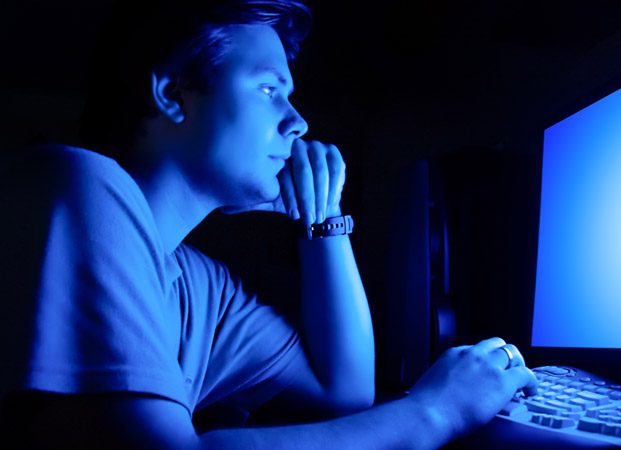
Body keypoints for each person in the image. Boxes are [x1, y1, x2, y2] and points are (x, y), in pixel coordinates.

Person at [0, 0, 538, 448]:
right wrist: (434, 412)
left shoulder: (198, 284)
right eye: (268, 89)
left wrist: (322, 219)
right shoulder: (70, 181)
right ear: (170, 92)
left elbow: (342, 394)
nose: (298, 121)